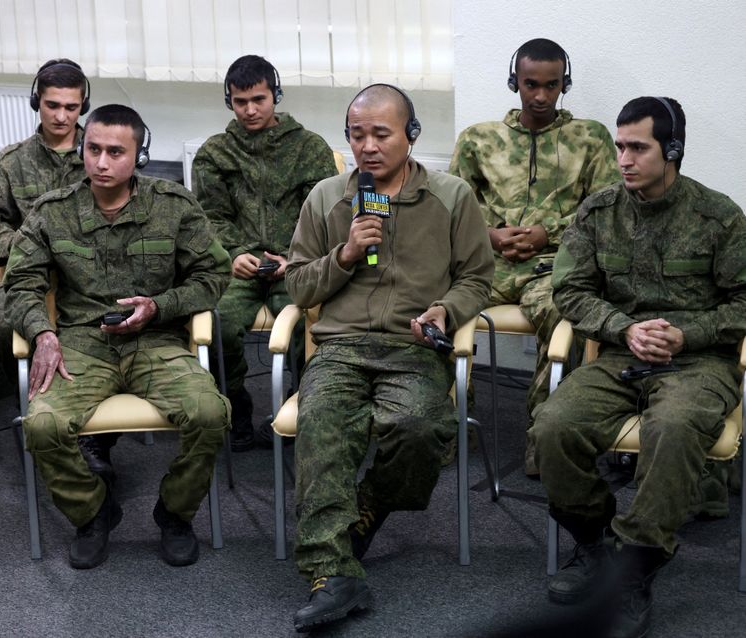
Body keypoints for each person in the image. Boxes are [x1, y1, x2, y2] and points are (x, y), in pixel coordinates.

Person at [530, 97, 746, 638]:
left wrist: (686, 332)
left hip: (699, 361)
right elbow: (571, 290)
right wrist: (623, 327)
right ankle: (593, 543)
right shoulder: (599, 211)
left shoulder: (718, 216)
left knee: (671, 429)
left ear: (671, 150)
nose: (623, 158)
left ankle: (634, 570)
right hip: (623, 353)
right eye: (620, 146)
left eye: (637, 147)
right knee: (553, 428)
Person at [285, 85, 493, 632]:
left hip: (414, 345)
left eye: (382, 134)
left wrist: (446, 310)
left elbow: (477, 276)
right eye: (358, 135)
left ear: (411, 134)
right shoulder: (327, 197)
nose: (369, 147)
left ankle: (369, 503)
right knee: (323, 423)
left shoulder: (451, 196)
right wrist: (347, 253)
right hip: (342, 346)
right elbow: (299, 286)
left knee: (422, 428)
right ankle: (333, 573)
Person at [1, 104, 231, 570]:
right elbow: (20, 284)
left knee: (209, 414)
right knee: (41, 427)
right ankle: (93, 513)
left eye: (115, 152)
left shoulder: (172, 207)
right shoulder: (53, 212)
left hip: (156, 341)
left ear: (139, 156)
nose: (101, 163)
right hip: (82, 345)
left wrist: (160, 306)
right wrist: (42, 332)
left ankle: (175, 514)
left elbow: (213, 275)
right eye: (93, 150)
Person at [449, 38, 619, 476]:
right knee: (431, 306)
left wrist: (549, 231)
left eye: (552, 85)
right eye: (530, 84)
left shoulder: (590, 139)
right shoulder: (478, 140)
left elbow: (606, 210)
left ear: (564, 84)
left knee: (568, 314)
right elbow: (451, 208)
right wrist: (489, 235)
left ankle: (543, 435)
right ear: (514, 82)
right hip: (486, 264)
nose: (541, 95)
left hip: (553, 266)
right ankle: (448, 426)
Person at [0, 58, 114, 478]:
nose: (62, 116)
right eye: (52, 105)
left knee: (102, 323)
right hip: (30, 280)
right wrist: (27, 246)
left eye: (71, 107)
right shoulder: (14, 161)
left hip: (93, 280)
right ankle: (41, 407)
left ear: (83, 106)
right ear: (37, 102)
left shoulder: (102, 151)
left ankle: (92, 432)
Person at [192, 54, 337, 451]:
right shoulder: (214, 154)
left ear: (276, 95)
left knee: (311, 322)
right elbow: (207, 218)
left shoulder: (309, 148)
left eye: (259, 99)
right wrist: (233, 253)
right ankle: (236, 409)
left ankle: (298, 404)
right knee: (216, 323)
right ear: (229, 102)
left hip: (294, 264)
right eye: (241, 102)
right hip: (238, 267)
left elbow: (325, 215)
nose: (251, 110)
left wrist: (297, 259)